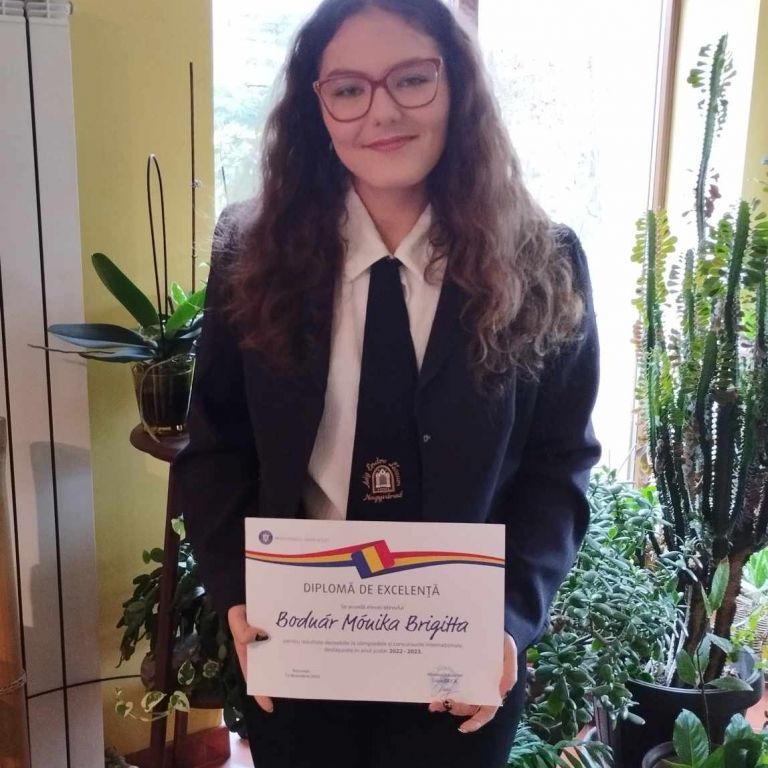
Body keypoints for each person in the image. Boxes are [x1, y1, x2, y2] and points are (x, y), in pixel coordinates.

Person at [172, 1, 601, 766]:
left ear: (456, 85)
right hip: (298, 647)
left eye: (411, 79)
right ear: (318, 107)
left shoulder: (543, 261)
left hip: (460, 664)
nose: (381, 112)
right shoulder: (251, 253)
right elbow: (216, 448)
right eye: (348, 89)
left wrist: (509, 621)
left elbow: (557, 466)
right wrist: (237, 593)